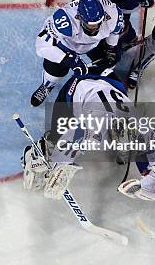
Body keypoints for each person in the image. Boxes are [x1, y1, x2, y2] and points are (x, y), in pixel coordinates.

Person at [22, 70, 138, 199]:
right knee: (56, 138)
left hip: (110, 85)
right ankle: (37, 152)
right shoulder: (95, 128)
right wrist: (61, 170)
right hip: (74, 91)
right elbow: (70, 142)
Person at [30, 0, 124, 107]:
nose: (94, 28)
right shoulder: (64, 19)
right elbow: (42, 45)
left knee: (111, 60)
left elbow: (114, 32)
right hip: (67, 45)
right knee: (54, 70)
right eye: (90, 26)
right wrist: (70, 60)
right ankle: (47, 85)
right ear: (79, 17)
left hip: (93, 44)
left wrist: (111, 47)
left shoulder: (114, 14)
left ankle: (103, 88)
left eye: (97, 24)